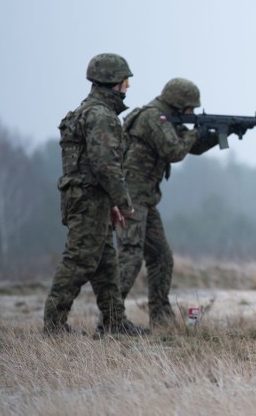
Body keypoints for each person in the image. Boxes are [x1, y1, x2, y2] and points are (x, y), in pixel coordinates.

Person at [44, 53, 148, 336]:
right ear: (113, 82)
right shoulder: (101, 116)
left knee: (105, 265)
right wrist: (124, 202)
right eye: (125, 81)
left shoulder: (87, 111)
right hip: (88, 199)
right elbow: (105, 165)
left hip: (91, 198)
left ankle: (115, 323)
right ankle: (53, 327)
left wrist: (110, 204)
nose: (127, 87)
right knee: (79, 261)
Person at [116, 78, 218, 329]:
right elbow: (175, 150)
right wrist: (197, 131)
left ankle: (161, 317)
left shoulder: (164, 119)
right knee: (130, 256)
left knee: (161, 257)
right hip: (132, 198)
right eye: (190, 109)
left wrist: (218, 135)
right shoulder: (153, 117)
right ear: (178, 103)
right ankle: (110, 318)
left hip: (145, 199)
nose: (192, 114)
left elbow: (192, 147)